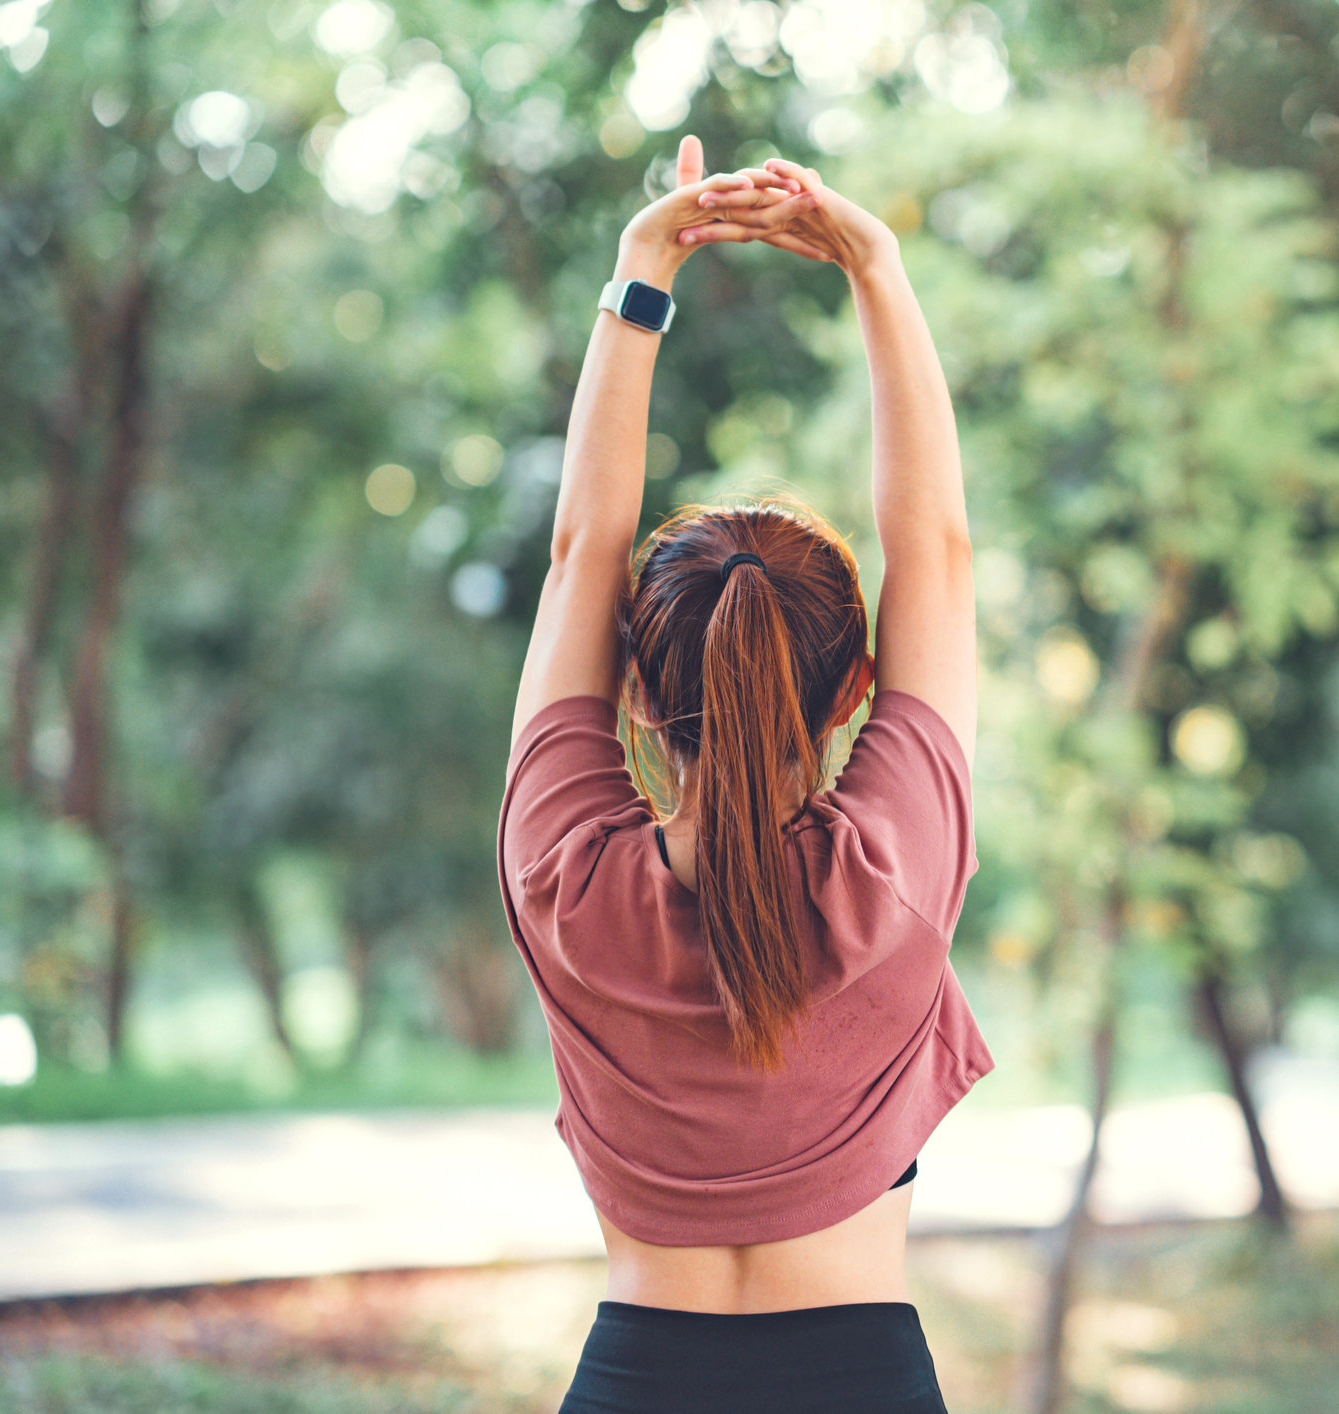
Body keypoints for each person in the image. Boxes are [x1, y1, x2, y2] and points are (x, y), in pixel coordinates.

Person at [496, 135, 990, 1414]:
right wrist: (874, 268)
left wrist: (640, 271)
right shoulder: (888, 869)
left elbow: (578, 551)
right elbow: (932, 546)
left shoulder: (568, 880)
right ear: (853, 688)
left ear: (640, 693)